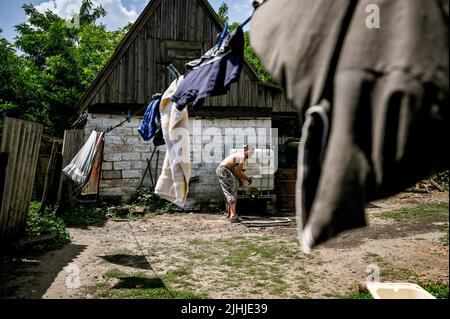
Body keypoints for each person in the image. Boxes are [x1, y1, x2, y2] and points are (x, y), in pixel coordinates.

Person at [216, 145, 254, 223]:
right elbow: (238, 172)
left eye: (253, 153)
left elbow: (234, 170)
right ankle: (233, 216)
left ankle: (229, 214)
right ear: (245, 150)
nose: (251, 154)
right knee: (231, 191)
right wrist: (247, 179)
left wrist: (240, 179)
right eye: (250, 151)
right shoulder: (242, 157)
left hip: (221, 170)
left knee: (227, 191)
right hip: (224, 170)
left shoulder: (238, 155)